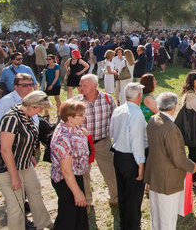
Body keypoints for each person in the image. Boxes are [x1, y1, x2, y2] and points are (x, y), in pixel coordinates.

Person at [0, 91, 53, 230]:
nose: (41, 112)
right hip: (8, 167)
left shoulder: (27, 115)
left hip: (24, 162)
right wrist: (14, 177)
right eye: (40, 109)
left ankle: (43, 222)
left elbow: (26, 138)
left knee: (35, 191)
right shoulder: (11, 118)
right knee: (17, 203)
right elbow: (5, 150)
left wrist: (30, 154)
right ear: (32, 106)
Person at [145, 92, 196, 230]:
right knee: (168, 219)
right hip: (168, 179)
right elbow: (177, 158)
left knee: (156, 216)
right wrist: (192, 166)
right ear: (174, 107)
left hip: (154, 175)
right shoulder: (170, 128)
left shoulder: (153, 119)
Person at [73, 74, 118, 210]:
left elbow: (115, 119)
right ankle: (87, 202)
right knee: (84, 173)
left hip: (103, 142)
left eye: (84, 85)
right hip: (82, 145)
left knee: (110, 171)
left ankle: (115, 198)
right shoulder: (75, 102)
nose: (80, 88)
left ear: (94, 86)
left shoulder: (107, 99)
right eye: (80, 85)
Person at [110, 83, 148, 229]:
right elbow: (137, 141)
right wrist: (141, 164)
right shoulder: (137, 114)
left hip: (118, 155)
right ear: (139, 96)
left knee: (123, 193)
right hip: (131, 158)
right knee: (134, 196)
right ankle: (132, 226)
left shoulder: (118, 109)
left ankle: (124, 224)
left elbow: (112, 131)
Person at [50, 99, 90, 230]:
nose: (84, 117)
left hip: (75, 176)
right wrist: (77, 192)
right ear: (70, 118)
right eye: (81, 115)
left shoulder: (72, 126)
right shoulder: (63, 138)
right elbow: (66, 171)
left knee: (79, 214)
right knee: (68, 218)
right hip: (66, 181)